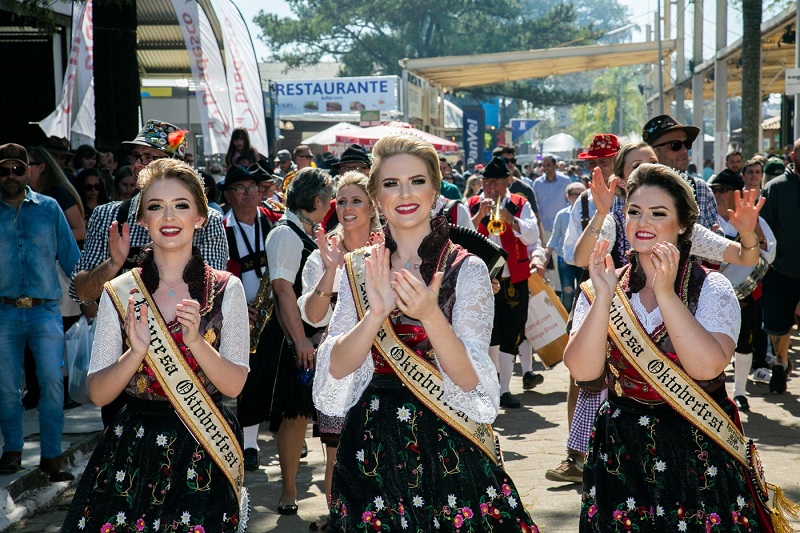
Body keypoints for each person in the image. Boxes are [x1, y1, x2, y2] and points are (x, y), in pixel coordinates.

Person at [313, 134, 538, 532]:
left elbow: (471, 382)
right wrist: (376, 314)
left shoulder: (465, 269)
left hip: (450, 438)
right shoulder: (358, 267)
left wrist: (431, 316)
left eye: (417, 181)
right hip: (372, 443)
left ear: (436, 190)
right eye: (391, 183)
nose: (405, 193)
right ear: (376, 196)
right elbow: (336, 370)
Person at [564, 163, 775, 532]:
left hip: (696, 445)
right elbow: (583, 372)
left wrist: (664, 292)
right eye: (634, 211)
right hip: (622, 452)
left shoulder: (710, 288)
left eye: (658, 213)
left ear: (681, 225)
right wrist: (602, 300)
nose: (642, 221)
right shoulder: (604, 285)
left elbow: (707, 367)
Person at [61, 159, 249, 532]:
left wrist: (196, 342)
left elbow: (234, 385)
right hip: (135, 449)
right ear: (143, 220)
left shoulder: (228, 289)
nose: (169, 216)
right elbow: (98, 392)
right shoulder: (120, 291)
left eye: (181, 205)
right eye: (156, 206)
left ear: (200, 216)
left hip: (205, 446)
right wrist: (134, 354)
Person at [70, 120, 229, 428]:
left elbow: (213, 297)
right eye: (137, 158)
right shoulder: (108, 215)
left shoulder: (207, 220)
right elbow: (82, 291)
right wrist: (114, 266)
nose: (140, 166)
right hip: (123, 360)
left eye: (151, 157)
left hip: (187, 361)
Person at [238, 167, 333, 515]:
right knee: (294, 414)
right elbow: (282, 289)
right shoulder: (286, 233)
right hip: (290, 337)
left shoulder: (308, 230)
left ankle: (332, 490)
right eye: (330, 196)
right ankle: (289, 490)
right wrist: (301, 341)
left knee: (324, 413)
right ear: (318, 200)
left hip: (314, 331)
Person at [298, 171, 380, 531]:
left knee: (382, 450)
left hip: (384, 362)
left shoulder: (389, 247)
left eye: (356, 200)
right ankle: (340, 521)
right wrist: (331, 270)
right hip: (341, 368)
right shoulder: (324, 252)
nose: (347, 208)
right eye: (341, 201)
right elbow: (313, 317)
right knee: (337, 456)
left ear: (372, 206)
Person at [0, 143, 80, 481]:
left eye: (18, 169)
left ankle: (51, 455)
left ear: (29, 171)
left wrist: (89, 299)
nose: (12, 176)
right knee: (5, 387)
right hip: (3, 313)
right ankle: (12, 451)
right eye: (4, 170)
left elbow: (72, 258)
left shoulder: (49, 208)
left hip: (45, 311)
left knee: (51, 383)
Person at [468, 156, 543, 409]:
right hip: (482, 278)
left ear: (507, 182)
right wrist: (480, 215)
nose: (491, 187)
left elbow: (533, 234)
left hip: (513, 277)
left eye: (496, 183)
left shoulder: (520, 204)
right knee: (488, 332)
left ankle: (504, 389)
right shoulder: (472, 204)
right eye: (487, 182)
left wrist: (513, 221)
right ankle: (491, 386)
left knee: (512, 331)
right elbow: (460, 235)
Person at [219, 164, 278, 472]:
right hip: (240, 314)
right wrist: (236, 304)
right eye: (239, 189)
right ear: (228, 195)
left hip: (275, 310)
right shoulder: (222, 229)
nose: (246, 194)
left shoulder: (274, 223)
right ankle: (250, 442)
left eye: (251, 188)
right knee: (248, 378)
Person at [708, 169, 775, 411]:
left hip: (744, 293)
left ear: (735, 193)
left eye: (723, 190)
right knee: (711, 342)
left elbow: (769, 253)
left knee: (745, 343)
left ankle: (739, 392)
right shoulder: (706, 217)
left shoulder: (754, 219)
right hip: (711, 291)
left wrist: (753, 232)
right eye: (714, 190)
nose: (717, 195)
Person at [759, 138, 800, 393]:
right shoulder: (775, 188)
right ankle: (781, 362)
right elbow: (762, 229)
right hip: (780, 272)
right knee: (778, 328)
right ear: (792, 156)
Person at [641, 114, 718, 229]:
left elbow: (718, 240)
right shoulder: (633, 190)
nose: (684, 151)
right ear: (654, 152)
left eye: (687, 144)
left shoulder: (701, 190)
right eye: (675, 145)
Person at [26, 146, 86, 242]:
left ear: (41, 167)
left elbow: (80, 231)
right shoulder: (24, 194)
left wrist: (47, 240)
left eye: (27, 164)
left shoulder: (58, 193)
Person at [545, 181, 586, 311]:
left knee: (584, 293)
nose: (579, 198)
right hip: (565, 258)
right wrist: (546, 256)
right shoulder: (562, 214)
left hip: (584, 260)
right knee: (567, 292)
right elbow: (555, 237)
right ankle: (566, 323)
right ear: (567, 196)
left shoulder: (592, 213)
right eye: (575, 194)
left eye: (582, 195)